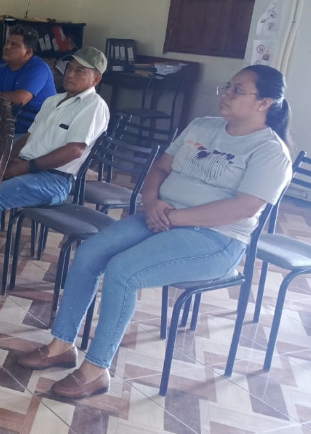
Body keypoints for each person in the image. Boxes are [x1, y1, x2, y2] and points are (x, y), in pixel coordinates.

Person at [18, 65, 292, 400]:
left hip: (215, 239)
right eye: (228, 86)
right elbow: (161, 168)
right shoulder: (202, 126)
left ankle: (96, 370)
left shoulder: (270, 151)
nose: (226, 94)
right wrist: (151, 202)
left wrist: (175, 216)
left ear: (264, 102)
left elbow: (244, 207)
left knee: (123, 271)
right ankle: (62, 345)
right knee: (89, 252)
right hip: (160, 216)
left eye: (238, 90)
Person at [0, 47, 111, 293]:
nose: (70, 74)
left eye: (80, 71)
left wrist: (25, 167)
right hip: (27, 167)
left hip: (54, 179)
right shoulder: (53, 101)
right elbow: (29, 137)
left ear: (96, 79)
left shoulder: (94, 106)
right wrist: (6, 161)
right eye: (69, 68)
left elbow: (74, 150)